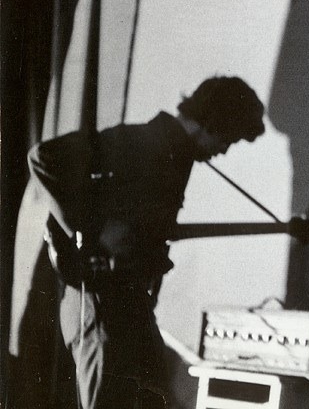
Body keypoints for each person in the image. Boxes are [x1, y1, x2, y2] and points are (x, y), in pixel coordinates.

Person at [9, 76, 266, 409]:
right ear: (214, 122)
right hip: (100, 304)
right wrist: (92, 232)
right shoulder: (146, 140)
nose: (224, 150)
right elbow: (43, 157)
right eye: (228, 139)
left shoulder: (176, 155)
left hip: (129, 307)